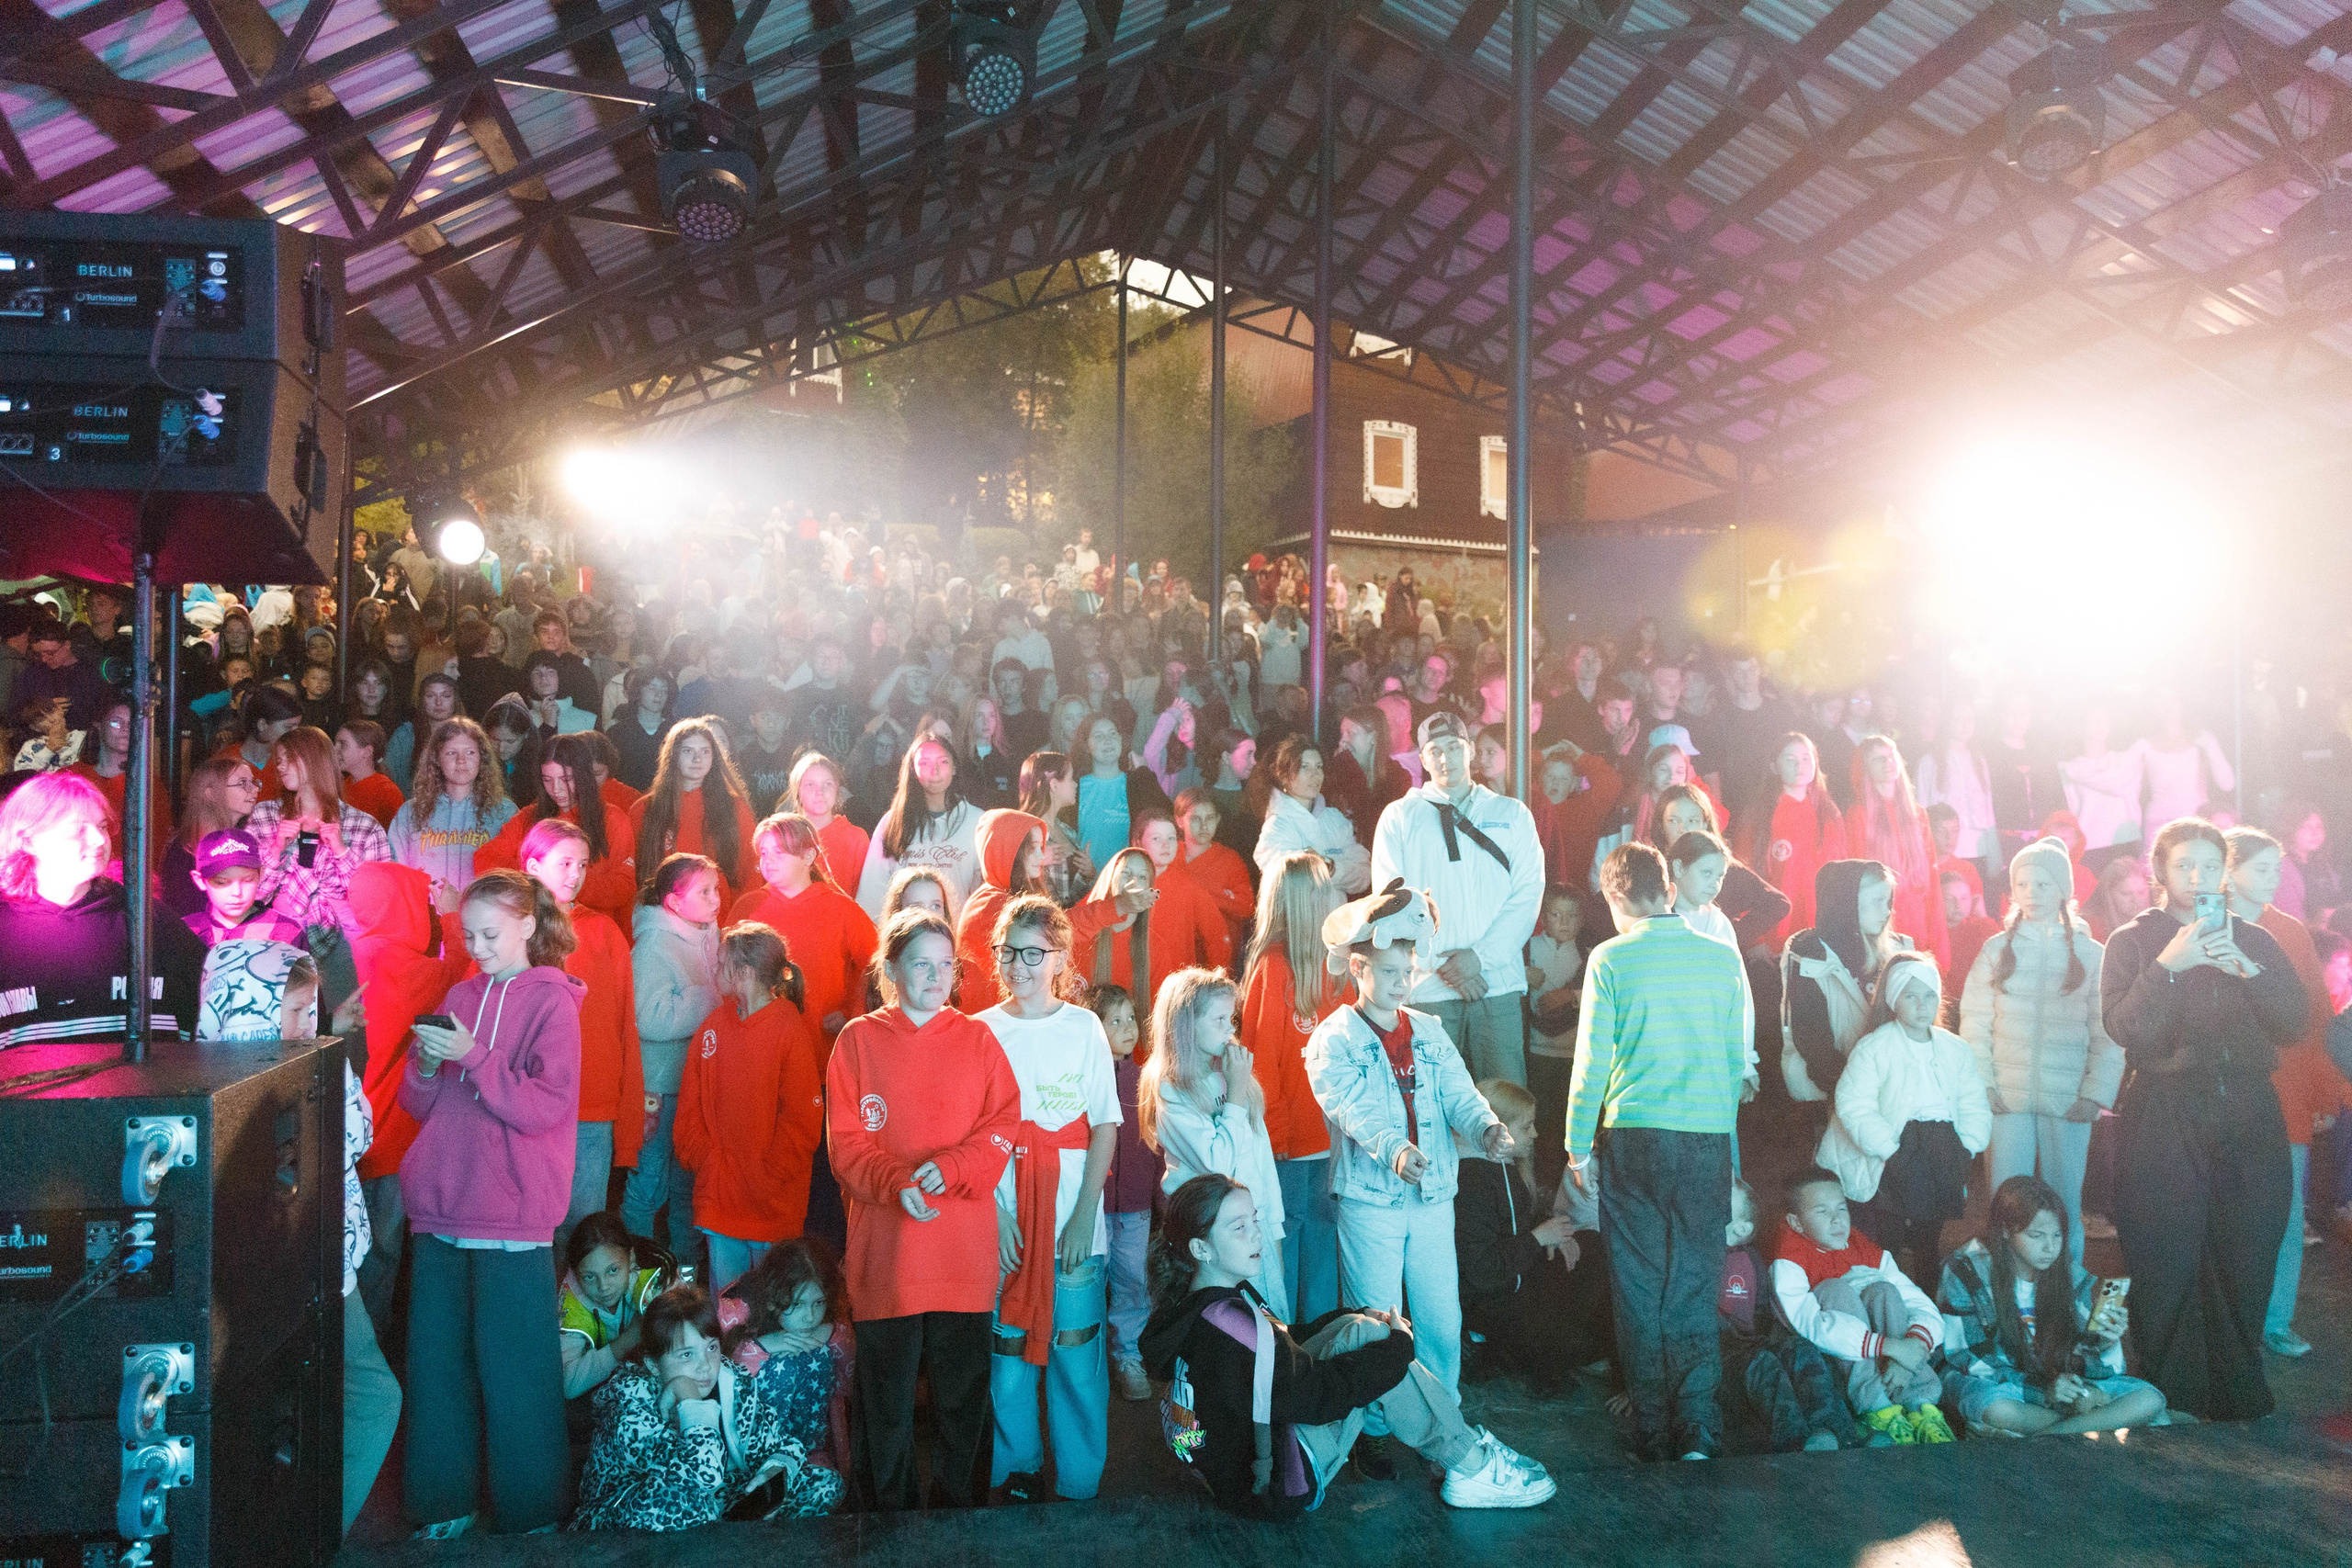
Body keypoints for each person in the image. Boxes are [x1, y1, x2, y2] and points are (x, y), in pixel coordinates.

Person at [1137, 1174, 1552, 1517]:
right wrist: (1394, 1352)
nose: (1256, 1236)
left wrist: (1353, 1319)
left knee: (1364, 1329)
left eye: (1255, 1219)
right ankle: (1471, 1464)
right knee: (1380, 1349)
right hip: (1275, 1482)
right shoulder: (1229, 1324)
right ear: (1200, 1248)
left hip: (1225, 1463)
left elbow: (1284, 1340)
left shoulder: (1200, 1302)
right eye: (1238, 1227)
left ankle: (1463, 1454)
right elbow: (1313, 1397)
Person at [400, 870, 584, 1537]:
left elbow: (545, 1106)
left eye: (489, 933)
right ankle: (443, 1506)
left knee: (519, 1378)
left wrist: (473, 1055)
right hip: (442, 1212)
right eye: (468, 933)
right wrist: (425, 1063)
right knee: (438, 1373)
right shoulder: (460, 992)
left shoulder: (555, 1003)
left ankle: (531, 1514)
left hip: (512, 1219)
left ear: (530, 926)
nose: (475, 945)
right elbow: (419, 1102)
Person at [2099, 818, 2302, 1419]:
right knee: (2164, 1257)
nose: (2197, 876)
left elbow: (2293, 1023)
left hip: (2248, 1112)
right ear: (2160, 871)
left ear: (2224, 870)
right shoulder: (2134, 940)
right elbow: (2125, 1028)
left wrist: (2246, 967)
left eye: (2209, 865)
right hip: (2163, 1112)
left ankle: (2238, 1393)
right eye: (2184, 864)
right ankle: (2171, 1397)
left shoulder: (2256, 937)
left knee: (2246, 1252)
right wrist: (2169, 963)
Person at [188, 938, 387, 1529]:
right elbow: (352, 1140)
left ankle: (292, 1530)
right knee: (371, 1397)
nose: (310, 1024)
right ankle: (314, 1539)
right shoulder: (305, 1072)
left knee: (284, 1410)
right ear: (252, 1009)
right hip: (304, 1271)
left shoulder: (199, 1066)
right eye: (298, 1010)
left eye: (311, 1010)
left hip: (275, 1274)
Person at [826, 908, 1020, 1511]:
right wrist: (894, 1179)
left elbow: (1003, 1125)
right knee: (885, 1396)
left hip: (962, 1254)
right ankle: (889, 1514)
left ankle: (961, 1509)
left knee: (963, 1395)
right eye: (921, 964)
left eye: (945, 965)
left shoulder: (979, 1039)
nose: (936, 976)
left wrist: (956, 1165)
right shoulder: (857, 1041)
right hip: (888, 1255)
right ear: (891, 969)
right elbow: (847, 1143)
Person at [1564, 842, 1750, 1461]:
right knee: (1695, 1280)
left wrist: (1575, 1145)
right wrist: (1724, 1146)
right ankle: (1697, 1426)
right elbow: (1734, 1062)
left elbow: (1592, 1063)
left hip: (1634, 1135)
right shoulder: (1721, 957)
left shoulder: (1610, 958)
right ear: (1667, 887)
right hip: (1704, 1138)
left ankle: (1651, 1426)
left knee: (1640, 1283)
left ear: (1617, 897)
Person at [1306, 882, 1510, 1410]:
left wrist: (1485, 1127)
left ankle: (1442, 1414)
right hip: (1370, 1201)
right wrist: (1394, 1149)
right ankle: (1371, 1427)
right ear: (1358, 969)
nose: (1402, 983)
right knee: (1375, 1316)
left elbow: (1459, 1092)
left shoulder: (1430, 1029)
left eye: (1407, 972)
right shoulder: (1333, 1038)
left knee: (1442, 1316)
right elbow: (1351, 1106)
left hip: (1435, 1198)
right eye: (1390, 972)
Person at [974, 895, 1122, 1504]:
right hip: (1004, 1210)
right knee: (1007, 1352)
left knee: (1074, 1349)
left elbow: (1105, 1125)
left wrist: (1085, 1214)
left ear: (1059, 957)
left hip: (1069, 1212)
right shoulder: (980, 1028)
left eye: (1033, 953)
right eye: (1007, 952)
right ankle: (1016, 1469)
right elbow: (968, 1133)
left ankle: (1080, 1475)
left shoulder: (1083, 1026)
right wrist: (995, 1210)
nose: (1019, 965)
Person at [1959, 835, 2121, 1268]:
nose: (2032, 894)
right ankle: (2002, 1291)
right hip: (2007, 1099)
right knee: (2004, 1196)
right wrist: (1984, 1084)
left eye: (2043, 884)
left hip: (2066, 1102)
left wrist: (2094, 1093)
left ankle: (2065, 1291)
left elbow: (2107, 1030)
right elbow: (1974, 1021)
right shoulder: (1997, 950)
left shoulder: (2090, 954)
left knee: (2064, 1198)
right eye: (2024, 885)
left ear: (2064, 890)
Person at [2222, 827, 2349, 1359]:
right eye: (2264, 869)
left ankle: (2275, 1321)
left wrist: (2325, 1095)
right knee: (2224, 1211)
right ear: (2230, 870)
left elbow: (2318, 1016)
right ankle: (2228, 1323)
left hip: (2285, 1096)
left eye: (2278, 868)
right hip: (2222, 1096)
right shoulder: (2202, 926)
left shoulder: (2291, 932)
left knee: (2285, 1216)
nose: (2275, 879)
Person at [1369, 714, 1545, 1088]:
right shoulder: (1400, 816)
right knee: (1432, 1104)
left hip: (1495, 984)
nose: (1446, 758)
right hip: (1428, 988)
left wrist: (1480, 958)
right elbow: (1391, 900)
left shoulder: (1511, 813)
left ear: (1470, 751)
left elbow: (1528, 894)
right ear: (1422, 758)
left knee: (1506, 1104)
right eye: (1435, 750)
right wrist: (1447, 966)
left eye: (1454, 747)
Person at [572, 1284, 835, 1529]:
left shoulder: (730, 1379)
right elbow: (701, 1474)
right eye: (687, 1354)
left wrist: (775, 1470)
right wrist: (689, 1398)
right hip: (622, 1516)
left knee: (824, 1484)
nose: (705, 1365)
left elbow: (783, 1443)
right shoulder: (629, 1401)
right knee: (687, 1505)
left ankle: (728, 1543)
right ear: (653, 1365)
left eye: (711, 1348)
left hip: (711, 1498)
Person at [1936, 1176, 2165, 1437]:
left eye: (2057, 1235)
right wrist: (2044, 1390)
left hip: (2053, 1386)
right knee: (1996, 1408)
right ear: (2005, 1230)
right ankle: (2092, 1427)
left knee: (2150, 1398)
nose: (2050, 1247)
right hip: (1997, 1382)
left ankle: (2057, 1433)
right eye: (2037, 1235)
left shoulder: (2067, 1273)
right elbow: (1971, 1358)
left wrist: (2104, 1342)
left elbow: (2093, 1364)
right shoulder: (1967, 1269)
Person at [1816, 953, 1992, 1290]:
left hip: (1942, 1149)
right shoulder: (1875, 1047)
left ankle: (1927, 1304)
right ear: (1894, 1000)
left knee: (1928, 1238)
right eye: (1910, 996)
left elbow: (1973, 1100)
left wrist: (1969, 1144)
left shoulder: (1956, 1050)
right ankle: (1888, 1303)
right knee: (1890, 1237)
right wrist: (1888, 1148)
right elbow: (1855, 1103)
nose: (1921, 1005)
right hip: (1898, 1149)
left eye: (1929, 995)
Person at [348, 861, 471, 1325]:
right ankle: (371, 1358)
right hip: (391, 1134)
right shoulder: (397, 963)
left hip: (356, 1132)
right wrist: (455, 917)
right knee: (380, 1256)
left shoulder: (355, 952)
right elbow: (459, 975)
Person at [513, 818, 644, 1254]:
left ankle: (575, 1324)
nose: (576, 874)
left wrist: (629, 1114)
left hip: (592, 1107)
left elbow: (626, 1027)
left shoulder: (605, 931)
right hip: (526, 1106)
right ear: (532, 865)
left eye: (583, 864)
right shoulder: (509, 929)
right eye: (565, 862)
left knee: (582, 1235)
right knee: (529, 1233)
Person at [0, 771, 203, 1047]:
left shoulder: (149, 919)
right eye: (78, 830)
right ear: (27, 840)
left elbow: (204, 1019)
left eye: (103, 826)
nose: (99, 840)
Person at [677, 923, 825, 1293]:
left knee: (771, 1309)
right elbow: (689, 1109)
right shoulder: (713, 1027)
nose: (713, 971)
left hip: (772, 1207)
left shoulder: (789, 1029)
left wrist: (767, 1176)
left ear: (742, 973)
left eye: (721, 963)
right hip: (721, 1202)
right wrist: (708, 1162)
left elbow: (803, 1121)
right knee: (727, 1309)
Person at [1238, 852, 1349, 1326]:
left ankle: (1321, 1347)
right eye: (1323, 888)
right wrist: (1276, 1139)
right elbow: (1260, 1064)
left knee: (1325, 1237)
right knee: (1290, 1239)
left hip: (1334, 1140)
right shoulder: (1272, 964)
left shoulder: (1338, 964)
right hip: (1289, 1147)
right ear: (1304, 900)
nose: (1333, 896)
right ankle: (1290, 1352)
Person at [1768, 1169, 1954, 1446]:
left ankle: (1918, 1405)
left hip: (1892, 1361)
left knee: (1884, 1290)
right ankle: (1877, 1411)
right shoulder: (1788, 1257)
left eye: (1841, 1208)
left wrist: (1907, 1353)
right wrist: (1888, 1347)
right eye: (1822, 1212)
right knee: (1836, 1289)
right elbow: (1810, 1325)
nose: (1837, 1219)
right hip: (1834, 1363)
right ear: (1796, 1223)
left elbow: (1919, 1304)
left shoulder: (1862, 1247)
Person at [1142, 966, 1288, 1313]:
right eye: (1219, 1019)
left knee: (1272, 1325)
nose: (1230, 1029)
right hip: (1213, 1236)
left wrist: (1273, 1225)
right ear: (1186, 1025)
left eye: (1231, 1019)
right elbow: (1218, 1166)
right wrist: (1236, 1094)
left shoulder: (1230, 1075)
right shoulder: (1172, 1088)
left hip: (1255, 1223)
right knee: (1230, 1327)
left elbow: (1260, 1158)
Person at [1454, 1079, 1601, 1393]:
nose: (1535, 1135)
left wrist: (1556, 1234)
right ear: (1497, 1130)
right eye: (1527, 1127)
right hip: (1490, 1303)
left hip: (1519, 1283)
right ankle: (1492, 1348)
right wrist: (1538, 1239)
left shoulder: (1507, 1169)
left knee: (1594, 1247)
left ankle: (1531, 1345)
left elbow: (1519, 1222)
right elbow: (1480, 1270)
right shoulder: (1473, 1181)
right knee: (1575, 1347)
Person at [624, 853, 727, 1282]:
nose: (716, 899)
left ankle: (684, 1278)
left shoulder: (709, 936)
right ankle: (638, 1277)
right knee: (648, 1183)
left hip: (695, 1085)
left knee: (687, 1183)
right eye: (704, 892)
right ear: (673, 903)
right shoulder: (653, 944)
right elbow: (649, 1017)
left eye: (716, 889)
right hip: (660, 1086)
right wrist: (710, 996)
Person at [715, 1238, 855, 1511]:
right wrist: (762, 1347)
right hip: (752, 1459)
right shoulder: (747, 1321)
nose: (809, 1316)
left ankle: (778, 1508)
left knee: (830, 1486)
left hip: (810, 1454)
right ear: (773, 1299)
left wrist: (834, 1335)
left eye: (818, 1303)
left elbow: (847, 1386)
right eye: (798, 1304)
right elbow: (728, 1383)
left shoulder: (830, 1332)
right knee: (784, 1366)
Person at [730, 812, 878, 1061]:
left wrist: (852, 1013)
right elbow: (725, 971)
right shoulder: (747, 907)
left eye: (779, 852)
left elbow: (876, 965)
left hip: (823, 1052)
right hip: (760, 1053)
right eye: (764, 853)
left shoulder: (841, 908)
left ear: (808, 856)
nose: (768, 860)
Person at [1717, 1180, 1849, 1453]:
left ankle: (1831, 1431)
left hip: (1756, 1342)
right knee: (1764, 1365)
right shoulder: (1699, 1259)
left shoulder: (1753, 1260)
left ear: (1741, 1229)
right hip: (1723, 1355)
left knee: (1801, 1349)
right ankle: (1795, 1440)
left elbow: (1764, 1312)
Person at [475, 733, 638, 932]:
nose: (557, 789)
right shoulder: (529, 816)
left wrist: (566, 881)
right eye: (547, 780)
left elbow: (624, 886)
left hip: (592, 932)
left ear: (584, 775)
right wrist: (540, 879)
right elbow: (484, 859)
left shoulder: (612, 818)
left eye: (566, 779)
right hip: (537, 931)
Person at [1780, 860, 1910, 1108]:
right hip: (1826, 1091)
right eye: (1877, 901)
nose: (1888, 911)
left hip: (1888, 1094)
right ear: (1847, 904)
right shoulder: (1810, 956)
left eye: (1888, 901)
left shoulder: (1898, 953)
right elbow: (1812, 1042)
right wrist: (1859, 1089)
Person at [244, 725, 394, 937]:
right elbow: (253, 894)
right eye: (278, 760)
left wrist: (342, 853)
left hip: (346, 941)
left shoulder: (365, 827)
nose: (281, 766)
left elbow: (377, 901)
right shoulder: (264, 815)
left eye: (289, 758)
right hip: (281, 937)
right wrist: (276, 849)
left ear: (316, 759)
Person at [387, 717, 516, 906]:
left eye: (470, 752)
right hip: (425, 921)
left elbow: (514, 881)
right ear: (436, 759)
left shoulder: (505, 813)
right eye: (451, 753)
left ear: (482, 758)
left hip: (482, 924)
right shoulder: (410, 813)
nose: (461, 761)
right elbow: (396, 874)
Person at [630, 718, 760, 905]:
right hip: (663, 917)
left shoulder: (735, 807)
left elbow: (751, 870)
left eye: (705, 751)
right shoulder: (644, 809)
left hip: (720, 917)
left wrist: (739, 918)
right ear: (673, 756)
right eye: (688, 751)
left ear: (714, 757)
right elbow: (633, 880)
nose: (697, 759)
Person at [854, 737, 984, 919]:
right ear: (913, 770)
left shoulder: (977, 821)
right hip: (906, 939)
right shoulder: (892, 822)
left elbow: (984, 895)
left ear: (954, 767)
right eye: (924, 763)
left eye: (943, 761)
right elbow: (873, 894)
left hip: (958, 939)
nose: (935, 770)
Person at [1738, 732, 1847, 946]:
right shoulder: (1759, 814)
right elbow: (1743, 876)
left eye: (1807, 758)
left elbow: (1842, 875)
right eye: (1790, 759)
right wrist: (1754, 937)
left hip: (1823, 929)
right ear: (1773, 766)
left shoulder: (1829, 813)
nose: (1800, 765)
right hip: (1773, 933)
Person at [1849, 737, 1949, 966]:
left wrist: (1940, 946)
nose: (1888, 762)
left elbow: (1932, 884)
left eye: (1891, 756)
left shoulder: (1919, 815)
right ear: (1865, 769)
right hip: (1881, 933)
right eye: (1878, 759)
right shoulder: (1859, 816)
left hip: (1918, 930)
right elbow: (1857, 886)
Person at [558, 1213, 670, 1401]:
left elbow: (684, 1350)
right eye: (590, 1277)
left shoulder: (656, 1281)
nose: (603, 1287)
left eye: (613, 1270)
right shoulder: (570, 1303)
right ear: (576, 1275)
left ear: (631, 1259)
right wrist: (630, 1338)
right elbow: (567, 1384)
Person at [1251, 735, 1372, 895]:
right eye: (1305, 767)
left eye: (1319, 767)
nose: (1314, 775)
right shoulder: (1277, 826)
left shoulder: (1334, 818)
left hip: (1336, 918)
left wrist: (1330, 868)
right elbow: (1286, 885)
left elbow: (1364, 875)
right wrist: (1330, 867)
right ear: (1284, 776)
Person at [1523, 886, 1584, 1194]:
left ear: (1581, 920)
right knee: (1539, 1118)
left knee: (1563, 1122)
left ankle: (1561, 1188)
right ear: (1543, 916)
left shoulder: (1586, 956)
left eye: (1571, 916)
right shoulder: (1527, 948)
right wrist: (1523, 975)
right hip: (1535, 1051)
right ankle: (1534, 1186)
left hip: (1570, 1055)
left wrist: (1570, 996)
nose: (1563, 922)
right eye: (1555, 914)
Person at [182, 827, 306, 947]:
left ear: (261, 874)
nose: (237, 892)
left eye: (247, 880)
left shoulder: (286, 931)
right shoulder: (185, 931)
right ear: (200, 880)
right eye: (222, 882)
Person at [383, 675, 460, 795]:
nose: (438, 702)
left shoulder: (468, 736)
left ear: (455, 700)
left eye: (446, 696)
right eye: (430, 696)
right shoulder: (406, 734)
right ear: (422, 700)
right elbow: (387, 777)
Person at [336, 720, 405, 829]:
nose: (335, 750)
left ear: (367, 752)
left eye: (343, 745)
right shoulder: (342, 785)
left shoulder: (387, 792)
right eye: (336, 744)